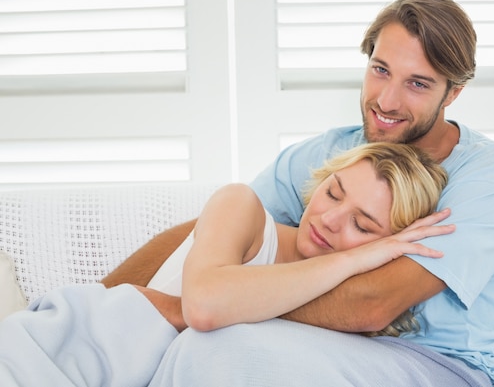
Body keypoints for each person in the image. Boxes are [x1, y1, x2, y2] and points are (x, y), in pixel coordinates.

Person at [106, 0, 494, 387]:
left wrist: (209, 303)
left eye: (417, 84)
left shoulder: (490, 179)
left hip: (444, 366)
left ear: (453, 93)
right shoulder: (330, 153)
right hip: (336, 346)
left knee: (218, 345)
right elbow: (215, 235)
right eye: (380, 70)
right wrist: (101, 304)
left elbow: (373, 305)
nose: (386, 101)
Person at [0, 142, 452, 387]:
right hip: (64, 347)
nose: (330, 219)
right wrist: (354, 255)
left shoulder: (342, 316)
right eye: (333, 192)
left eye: (362, 224)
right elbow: (205, 305)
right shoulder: (244, 209)